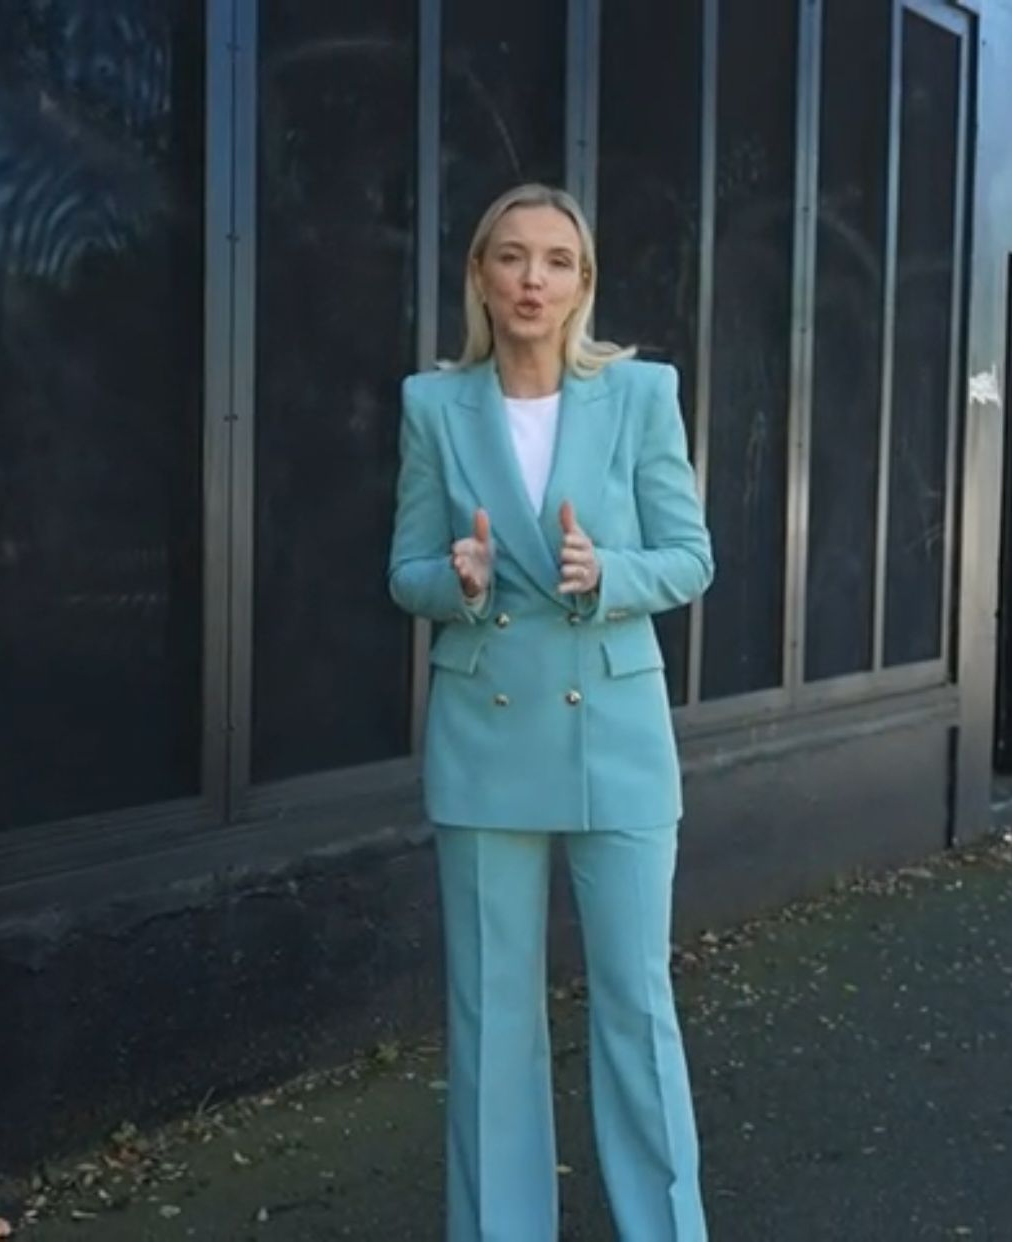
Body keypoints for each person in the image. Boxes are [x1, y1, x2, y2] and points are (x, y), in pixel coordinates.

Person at [387, 182, 715, 1242]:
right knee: (491, 1021)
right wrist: (461, 582)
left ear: (582, 285)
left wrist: (607, 571)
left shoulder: (641, 395)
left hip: (615, 736)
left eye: (557, 261)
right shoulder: (433, 405)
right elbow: (404, 573)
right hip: (485, 735)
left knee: (636, 1005)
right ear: (481, 277)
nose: (534, 279)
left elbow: (690, 557)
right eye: (512, 257)